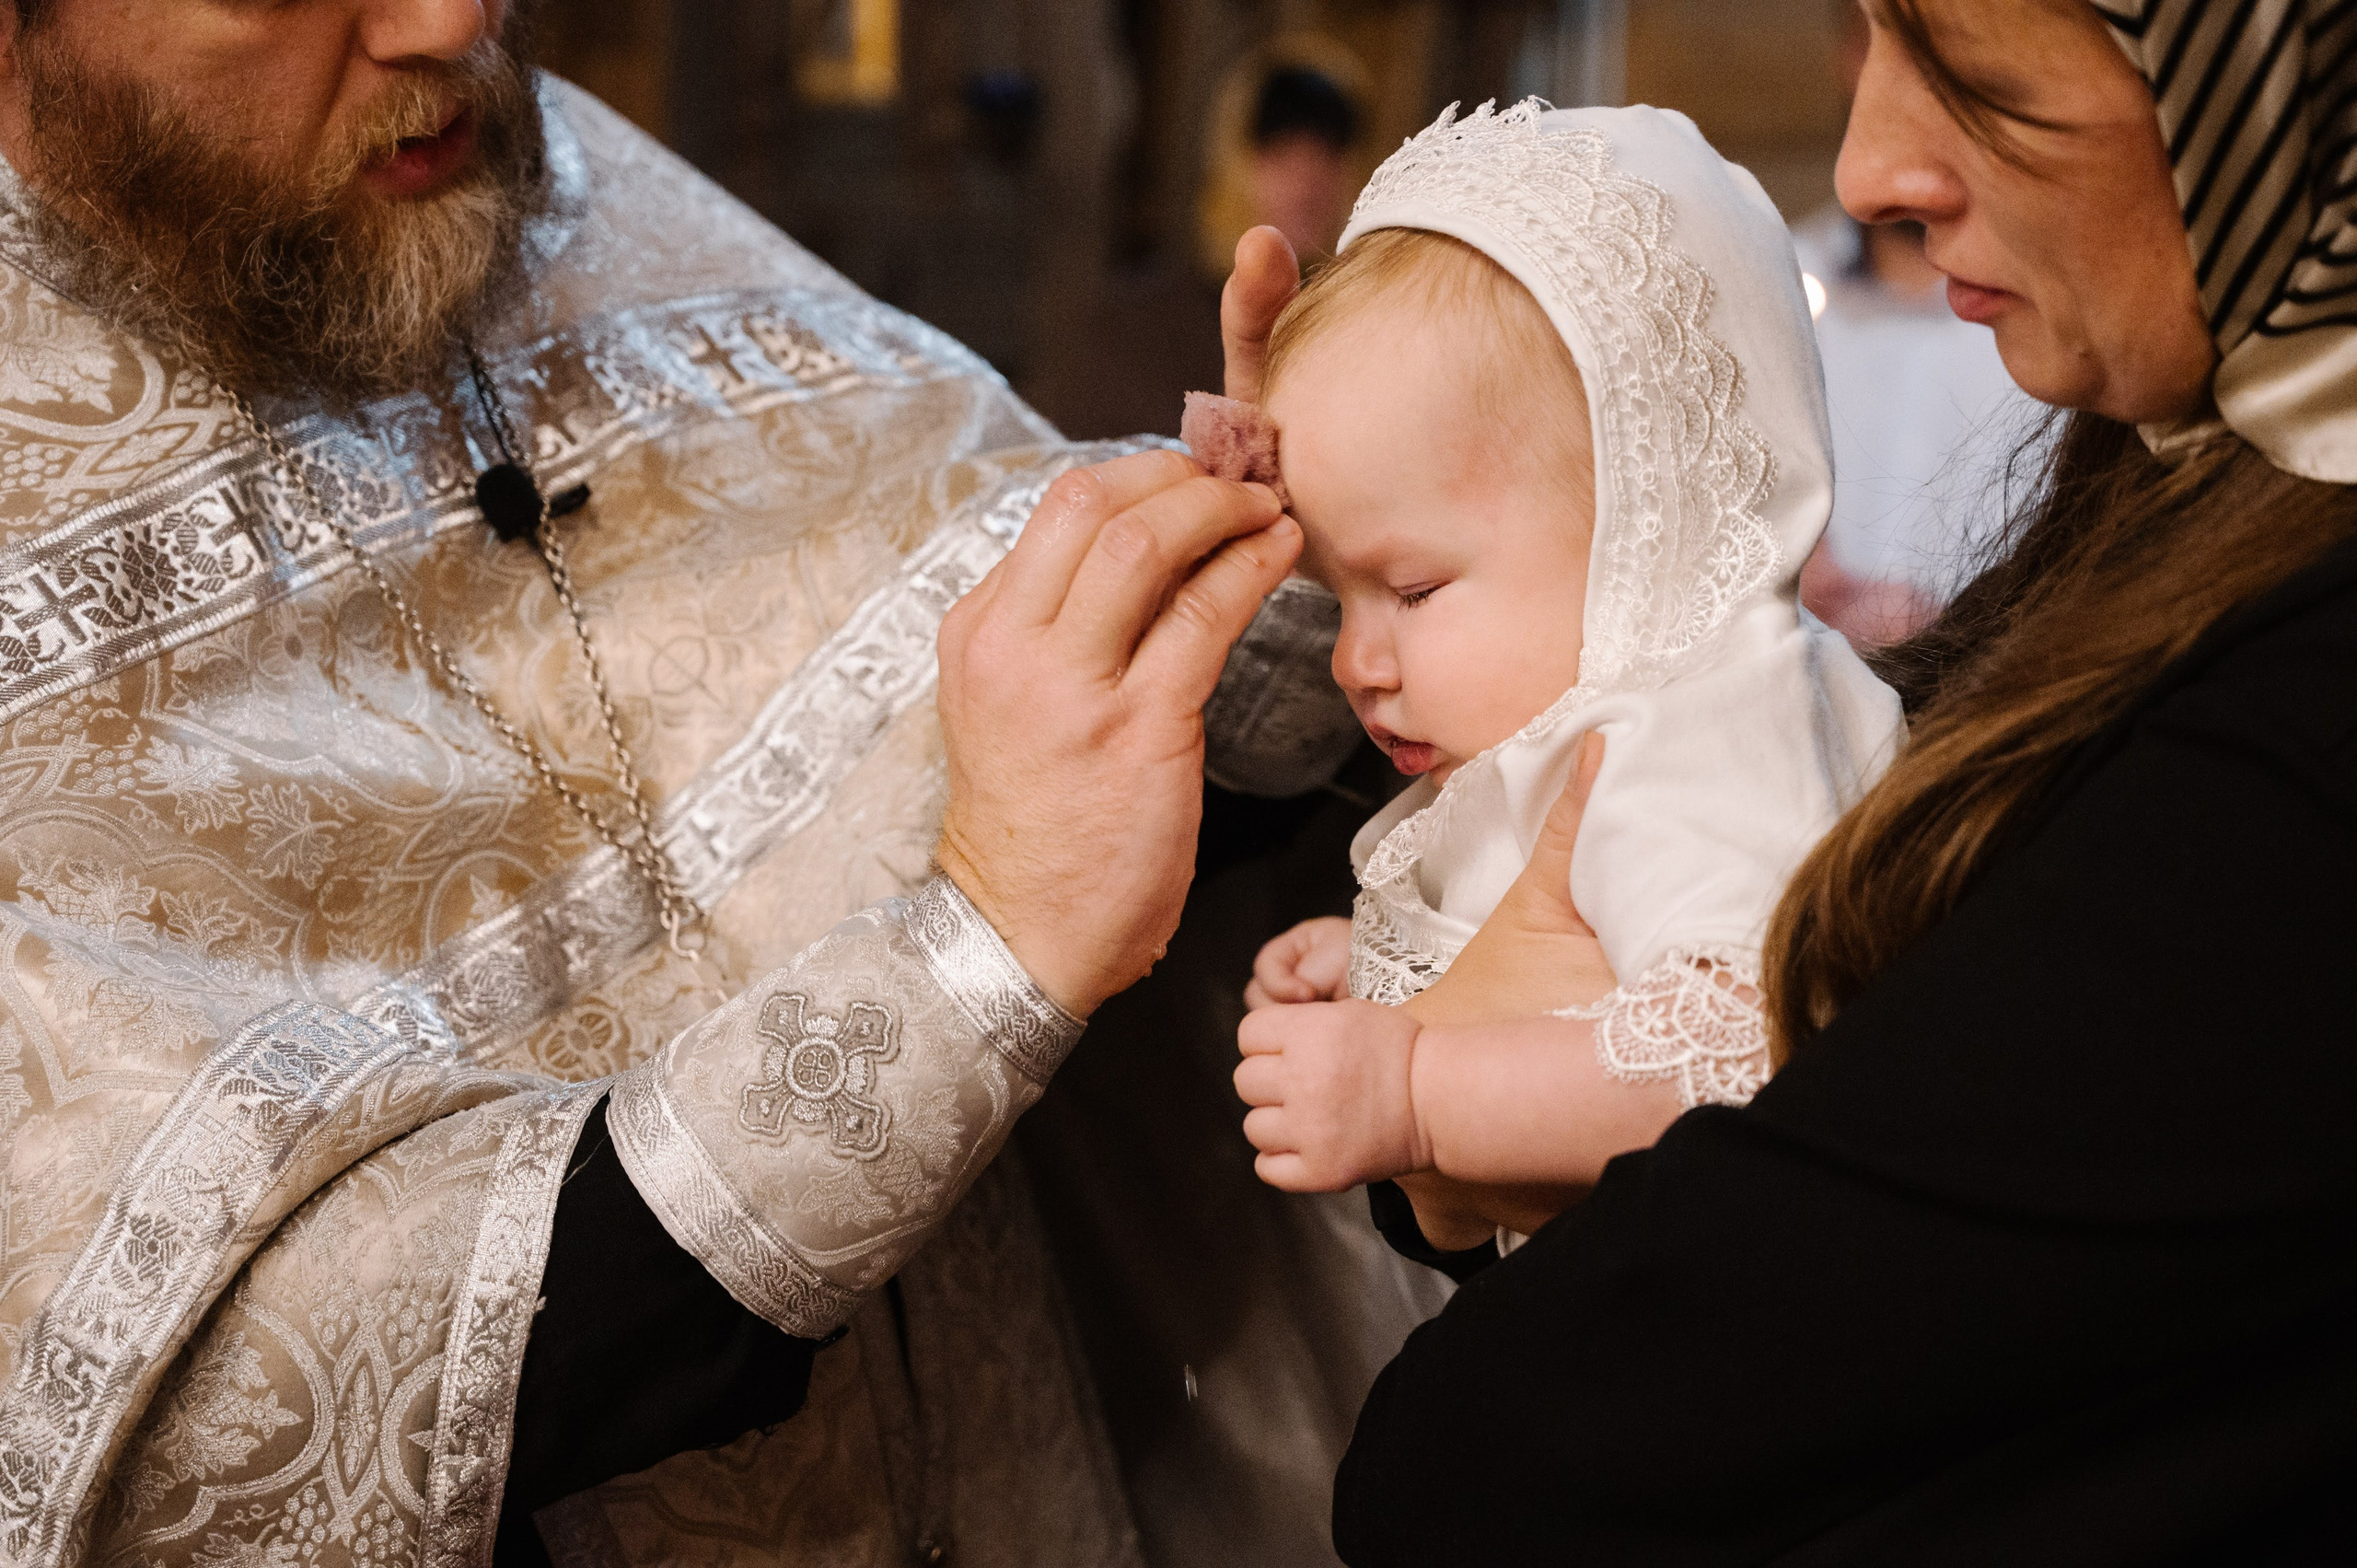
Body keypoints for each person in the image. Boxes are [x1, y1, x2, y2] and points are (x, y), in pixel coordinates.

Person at [0, 4, 1353, 1566]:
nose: (455, 17)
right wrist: (976, 959)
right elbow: (241, 1410)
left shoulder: (534, 176)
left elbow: (1055, 693)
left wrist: (1304, 547)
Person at [1210, 0, 2357, 1556]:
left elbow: (1524, 1435)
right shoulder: (2172, 504)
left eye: (1980, 76)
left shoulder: (2291, 745)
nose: (1875, 165)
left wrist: (1430, 1082)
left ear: (2276, 97)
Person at [1225, 105, 1901, 1255]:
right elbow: (1594, 960)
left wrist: (1420, 1084)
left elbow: (1737, 1052)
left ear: (1644, 520)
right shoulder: (1579, 719)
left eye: (1414, 589)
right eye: (1339, 597)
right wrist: (1398, 964)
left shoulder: (1704, 715)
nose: (1352, 660)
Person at [1791, 0, 2048, 647]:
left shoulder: (2065, 322)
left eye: (1941, 57)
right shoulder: (1778, 285)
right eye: (1872, 41)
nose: (1865, 179)